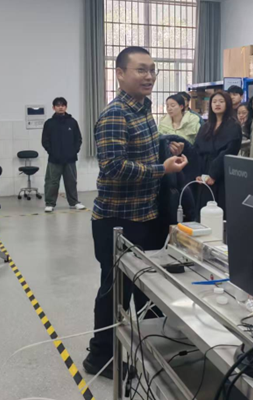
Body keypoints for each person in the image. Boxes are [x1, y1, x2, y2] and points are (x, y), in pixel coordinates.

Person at [84, 46, 188, 377]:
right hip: (118, 220)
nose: (149, 76)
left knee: (145, 286)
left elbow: (137, 151)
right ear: (120, 74)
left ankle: (152, 343)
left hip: (145, 215)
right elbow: (114, 167)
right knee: (115, 291)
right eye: (141, 70)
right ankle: (101, 356)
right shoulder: (116, 114)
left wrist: (164, 146)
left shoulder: (143, 110)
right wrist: (162, 169)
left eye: (152, 70)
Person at [193, 91, 242, 217]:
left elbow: (229, 151)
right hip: (204, 171)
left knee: (218, 209)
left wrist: (213, 174)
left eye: (221, 101)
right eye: (214, 102)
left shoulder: (233, 126)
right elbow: (197, 149)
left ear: (227, 104)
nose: (217, 104)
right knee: (203, 208)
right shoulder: (206, 126)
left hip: (221, 173)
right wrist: (198, 173)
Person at [41, 97, 85, 212]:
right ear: (53, 107)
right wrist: (52, 152)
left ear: (66, 107)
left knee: (71, 182)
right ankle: (50, 203)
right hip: (54, 159)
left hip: (70, 159)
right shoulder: (49, 123)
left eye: (63, 105)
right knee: (52, 182)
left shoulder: (72, 122)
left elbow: (78, 139)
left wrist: (74, 151)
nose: (60, 107)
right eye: (58, 105)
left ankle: (74, 202)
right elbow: (45, 141)